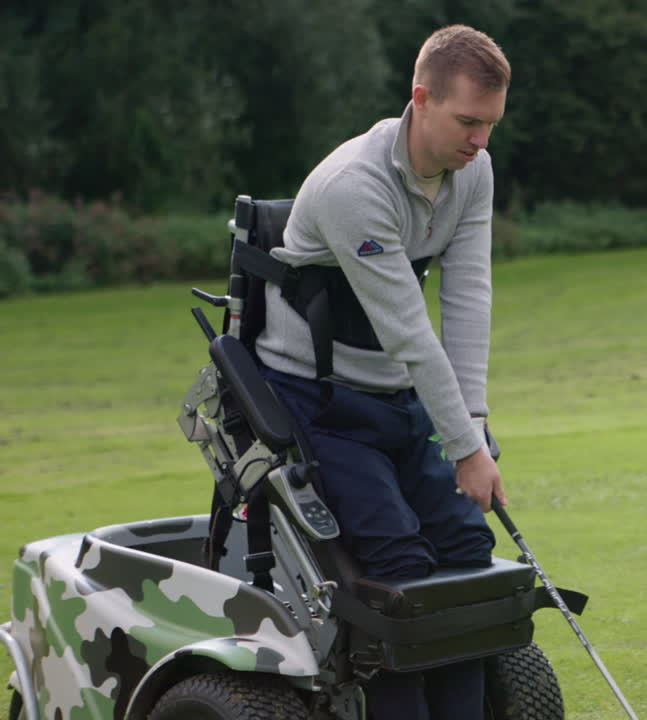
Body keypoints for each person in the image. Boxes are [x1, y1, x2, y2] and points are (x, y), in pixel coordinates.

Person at [253, 25, 510, 720]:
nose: (480, 141)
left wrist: (476, 425)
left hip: (399, 393)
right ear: (420, 99)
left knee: (465, 550)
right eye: (467, 122)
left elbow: (466, 298)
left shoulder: (472, 170)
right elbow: (410, 331)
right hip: (320, 399)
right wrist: (464, 449)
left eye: (490, 124)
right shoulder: (352, 187)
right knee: (398, 571)